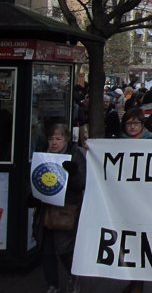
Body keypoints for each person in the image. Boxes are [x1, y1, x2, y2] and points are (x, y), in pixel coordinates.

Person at [32, 122, 86, 293]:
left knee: (64, 248)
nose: (54, 142)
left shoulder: (75, 155)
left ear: (66, 139)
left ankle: (73, 275)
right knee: (46, 249)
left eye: (58, 138)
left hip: (65, 210)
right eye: (51, 138)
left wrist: (74, 173)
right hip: (46, 209)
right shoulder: (42, 155)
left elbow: (82, 183)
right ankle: (52, 284)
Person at [118, 109, 152, 293]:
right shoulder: (115, 145)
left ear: (142, 125)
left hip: (148, 201)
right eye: (129, 123)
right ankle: (132, 280)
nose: (132, 127)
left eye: (136, 123)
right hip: (124, 201)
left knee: (143, 242)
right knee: (128, 243)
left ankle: (138, 282)